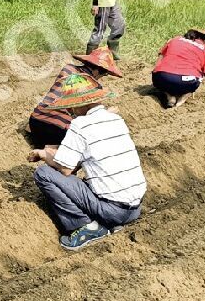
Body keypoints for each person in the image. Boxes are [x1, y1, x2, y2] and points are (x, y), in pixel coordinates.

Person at [29, 74, 147, 251]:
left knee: (43, 174)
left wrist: (44, 154)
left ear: (80, 104)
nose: (70, 111)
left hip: (112, 210)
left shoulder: (80, 125)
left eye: (72, 106)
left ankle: (85, 226)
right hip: (134, 208)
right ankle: (110, 222)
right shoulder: (116, 120)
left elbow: (66, 169)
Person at [28, 46, 123, 149]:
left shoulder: (68, 68)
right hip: (58, 131)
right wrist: (108, 113)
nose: (102, 77)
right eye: (104, 74)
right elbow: (90, 118)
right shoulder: (94, 87)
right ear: (97, 70)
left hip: (35, 123)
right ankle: (54, 150)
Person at [152, 28, 205, 109]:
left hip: (160, 78)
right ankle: (182, 100)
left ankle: (169, 96)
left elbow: (158, 64)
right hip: (186, 82)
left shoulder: (174, 39)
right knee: (197, 76)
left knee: (160, 75)